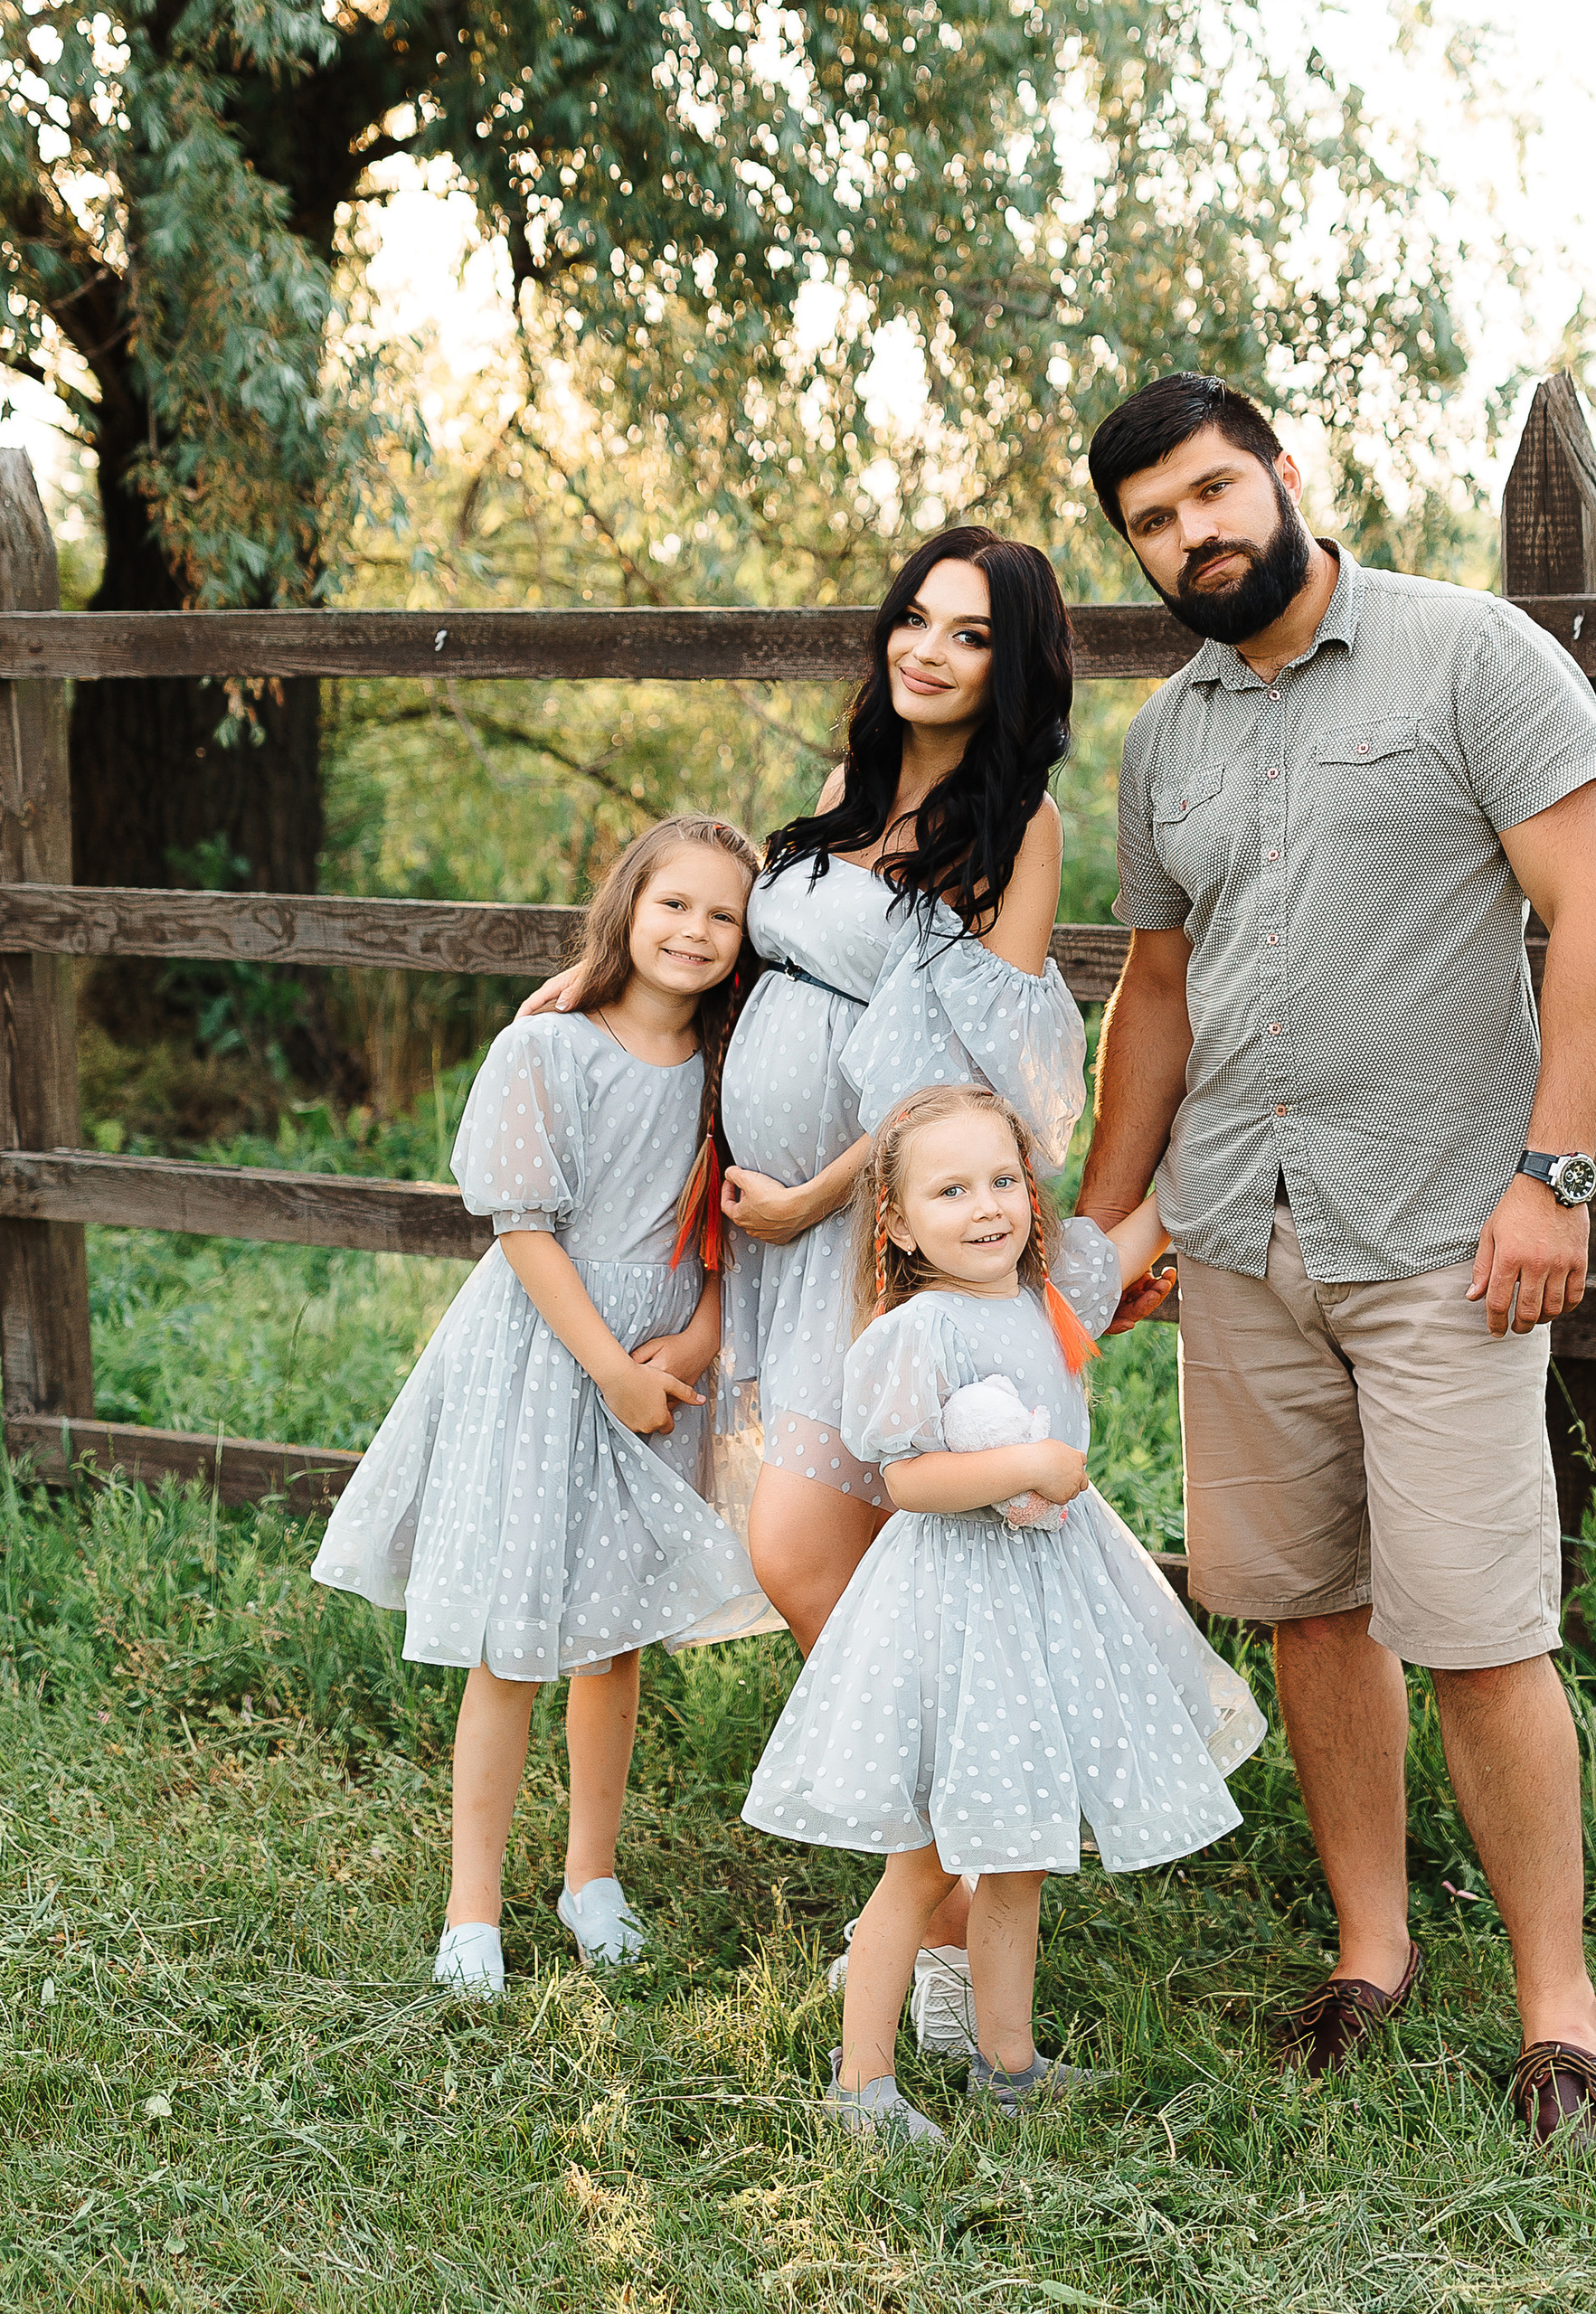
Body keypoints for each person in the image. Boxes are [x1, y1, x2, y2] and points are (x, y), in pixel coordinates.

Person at [1073, 373, 1596, 2145]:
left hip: (1439, 1236)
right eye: (1153, 520)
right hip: (1241, 1237)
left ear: (1282, 474)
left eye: (1208, 492)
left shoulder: (1466, 658)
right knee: (1306, 1606)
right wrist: (1105, 1225)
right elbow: (1154, 995)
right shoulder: (1161, 739)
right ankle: (1369, 1947)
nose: (1191, 534)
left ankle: (1558, 2012)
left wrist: (1550, 1177)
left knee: (1476, 1629)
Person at [526, 527, 1089, 2052]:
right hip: (766, 1252)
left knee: (808, 1550)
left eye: (970, 633)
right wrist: (593, 984)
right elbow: (722, 971)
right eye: (916, 617)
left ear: (1012, 660)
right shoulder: (835, 807)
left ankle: (957, 1885)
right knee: (840, 1566)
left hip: (870, 1249)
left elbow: (974, 1074)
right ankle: (957, 1865)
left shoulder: (1011, 830)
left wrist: (826, 1190)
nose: (928, 647)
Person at [743, 1085, 1265, 2143]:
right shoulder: (915, 1331)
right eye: (949, 1190)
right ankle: (861, 2085)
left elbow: (1135, 1230)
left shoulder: (1042, 1297)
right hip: (954, 1611)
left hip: (1049, 1601)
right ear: (894, 1221)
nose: (985, 1208)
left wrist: (1220, 1110)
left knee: (1019, 1849)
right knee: (928, 1855)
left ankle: (1008, 2062)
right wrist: (1025, 1463)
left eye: (1002, 1181)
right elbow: (903, 1481)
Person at [309, 816, 763, 1998]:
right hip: (546, 1351)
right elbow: (521, 1224)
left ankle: (591, 1874)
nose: (696, 930)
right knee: (513, 1639)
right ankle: (471, 1908)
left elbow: (721, 1224)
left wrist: (701, 1332)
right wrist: (607, 1364)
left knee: (613, 1638)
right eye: (674, 903)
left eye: (723, 913)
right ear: (628, 906)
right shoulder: (551, 1049)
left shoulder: (732, 1063)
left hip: (659, 1358)